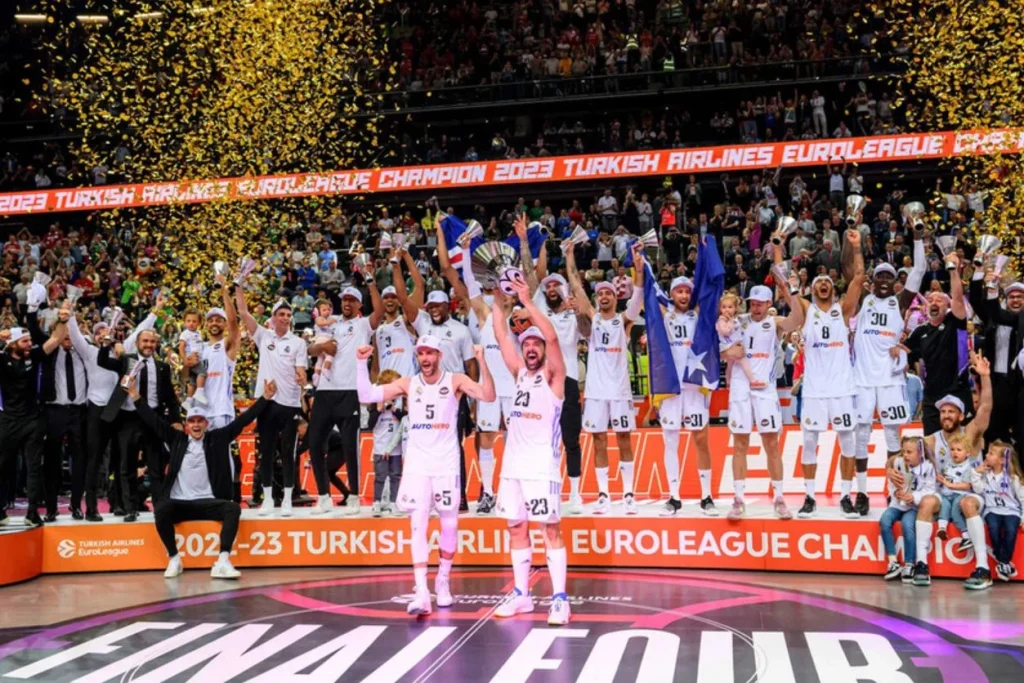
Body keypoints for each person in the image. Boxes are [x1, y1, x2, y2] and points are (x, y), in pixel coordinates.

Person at [355, 335, 495, 616]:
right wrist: (361, 362)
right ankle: (421, 590)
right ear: (417, 356)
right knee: (417, 525)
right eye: (421, 354)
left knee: (450, 524)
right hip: (418, 464)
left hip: (445, 464)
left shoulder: (454, 380)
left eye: (431, 353)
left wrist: (482, 360)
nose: (426, 359)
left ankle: (443, 579)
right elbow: (366, 396)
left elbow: (488, 395)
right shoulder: (409, 383)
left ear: (439, 355)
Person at [129, 375, 277, 580]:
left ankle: (223, 561)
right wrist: (136, 397)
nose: (196, 425)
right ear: (187, 424)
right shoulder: (177, 439)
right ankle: (174, 558)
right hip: (181, 502)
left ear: (206, 424)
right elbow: (153, 421)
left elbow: (243, 421)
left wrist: (265, 399)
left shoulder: (218, 438)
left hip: (209, 501)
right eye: (192, 421)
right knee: (161, 508)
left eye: (200, 421)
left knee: (232, 509)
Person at [490, 278, 571, 625]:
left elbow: (552, 337)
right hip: (512, 468)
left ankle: (560, 600)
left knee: (550, 530)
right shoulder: (519, 373)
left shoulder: (555, 377)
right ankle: (522, 595)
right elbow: (498, 336)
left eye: (536, 344)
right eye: (527, 345)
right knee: (516, 527)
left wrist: (525, 300)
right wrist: (497, 299)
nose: (532, 348)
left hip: (542, 467)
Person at [894, 352, 993, 588]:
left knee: (966, 504)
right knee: (928, 501)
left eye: (951, 411)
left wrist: (985, 377)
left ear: (961, 415)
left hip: (969, 493)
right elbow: (903, 453)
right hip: (943, 496)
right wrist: (890, 468)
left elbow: (986, 407)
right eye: (943, 411)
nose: (946, 415)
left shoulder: (970, 434)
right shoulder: (930, 440)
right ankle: (921, 565)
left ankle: (983, 569)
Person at [394, 248, 478, 512]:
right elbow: (402, 297)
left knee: (453, 446)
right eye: (430, 306)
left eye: (438, 305)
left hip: (454, 396)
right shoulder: (422, 324)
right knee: (426, 445)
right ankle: (427, 497)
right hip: (426, 396)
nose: (433, 309)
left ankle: (458, 496)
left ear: (448, 306)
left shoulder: (461, 330)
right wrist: (400, 260)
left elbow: (470, 366)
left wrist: (471, 398)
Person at [566, 242, 644, 515]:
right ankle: (603, 495)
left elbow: (638, 297)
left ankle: (629, 494)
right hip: (597, 392)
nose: (604, 297)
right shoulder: (594, 319)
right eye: (600, 294)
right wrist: (568, 255)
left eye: (608, 293)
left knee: (624, 440)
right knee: (598, 440)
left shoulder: (623, 320)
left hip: (620, 392)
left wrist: (639, 269)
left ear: (615, 297)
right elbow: (576, 286)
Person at [792, 230, 864, 518]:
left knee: (847, 441)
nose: (823, 285)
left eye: (827, 282)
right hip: (814, 390)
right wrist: (778, 248)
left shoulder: (843, 311)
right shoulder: (807, 310)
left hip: (842, 389)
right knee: (810, 442)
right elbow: (787, 285)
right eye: (819, 282)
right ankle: (809, 496)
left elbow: (858, 278)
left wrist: (856, 247)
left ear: (833, 290)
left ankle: (846, 495)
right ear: (812, 289)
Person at [66, 300, 160, 520]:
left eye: (105, 333)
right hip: (97, 411)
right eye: (98, 333)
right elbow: (75, 335)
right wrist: (69, 314)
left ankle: (117, 504)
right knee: (95, 459)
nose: (102, 336)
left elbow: (139, 331)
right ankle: (90, 508)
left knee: (121, 459)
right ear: (95, 337)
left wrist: (154, 311)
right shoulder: (89, 351)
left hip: (120, 410)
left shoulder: (122, 351)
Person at [640, 265, 719, 516]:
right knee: (670, 441)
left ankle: (706, 496)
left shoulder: (699, 314)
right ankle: (674, 497)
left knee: (701, 440)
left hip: (695, 385)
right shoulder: (664, 315)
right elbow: (650, 295)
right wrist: (642, 264)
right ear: (672, 294)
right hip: (670, 388)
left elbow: (710, 292)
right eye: (679, 291)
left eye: (687, 291)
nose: (683, 295)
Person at [727, 271, 805, 520]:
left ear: (769, 303)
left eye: (760, 302)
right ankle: (738, 499)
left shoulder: (775, 323)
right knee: (739, 444)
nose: (756, 306)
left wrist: (789, 290)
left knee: (771, 443)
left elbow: (798, 320)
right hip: (740, 388)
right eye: (752, 302)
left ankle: (780, 497)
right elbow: (719, 347)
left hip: (765, 390)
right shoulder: (737, 321)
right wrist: (728, 352)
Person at [852, 252, 921, 518]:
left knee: (893, 437)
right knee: (861, 436)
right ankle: (862, 493)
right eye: (879, 275)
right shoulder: (863, 299)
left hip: (890, 379)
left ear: (895, 282)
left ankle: (895, 491)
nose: (883, 279)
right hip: (863, 380)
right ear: (872, 280)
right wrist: (854, 243)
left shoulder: (899, 302)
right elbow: (851, 271)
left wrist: (916, 238)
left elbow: (919, 271)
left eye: (889, 276)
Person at [307, 277, 383, 516]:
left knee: (350, 447)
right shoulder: (330, 324)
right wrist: (322, 348)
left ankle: (353, 496)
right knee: (314, 443)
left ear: (360, 304)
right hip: (325, 392)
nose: (347, 303)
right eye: (344, 300)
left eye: (352, 300)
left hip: (350, 391)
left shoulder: (362, 325)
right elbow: (309, 348)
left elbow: (379, 311)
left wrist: (370, 282)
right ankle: (324, 496)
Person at [235, 290, 308, 516]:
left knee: (288, 453)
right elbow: (243, 312)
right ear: (273, 317)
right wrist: (239, 284)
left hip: (290, 403)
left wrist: (302, 378)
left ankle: (287, 499)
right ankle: (267, 499)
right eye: (282, 314)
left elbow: (301, 371)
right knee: (265, 452)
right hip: (266, 402)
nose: (285, 318)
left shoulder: (298, 343)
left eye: (288, 314)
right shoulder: (263, 336)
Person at [98, 328, 181, 522]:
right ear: (137, 343)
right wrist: (105, 343)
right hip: (128, 418)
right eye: (145, 341)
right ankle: (130, 508)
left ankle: (160, 507)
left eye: (152, 342)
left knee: (156, 466)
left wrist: (176, 420)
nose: (148, 345)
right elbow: (102, 362)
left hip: (153, 418)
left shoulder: (163, 367)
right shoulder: (126, 360)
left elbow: (170, 397)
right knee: (127, 465)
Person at [0, 306, 70, 526]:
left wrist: (62, 319)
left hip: (33, 420)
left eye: (30, 340)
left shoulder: (35, 355)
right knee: (2, 466)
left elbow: (57, 338)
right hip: (8, 420)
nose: (30, 344)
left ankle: (32, 512)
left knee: (34, 467)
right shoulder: (1, 360)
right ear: (12, 345)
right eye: (24, 342)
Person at [532, 262, 586, 515]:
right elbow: (532, 277)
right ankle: (549, 493)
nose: (551, 288)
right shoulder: (540, 309)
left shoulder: (573, 312)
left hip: (569, 381)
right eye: (548, 286)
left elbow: (586, 332)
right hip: (543, 381)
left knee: (570, 440)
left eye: (556, 285)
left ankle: (575, 495)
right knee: (544, 442)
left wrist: (578, 312)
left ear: (563, 289)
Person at [25, 305, 87, 522]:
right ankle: (51, 508)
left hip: (79, 413)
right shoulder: (48, 352)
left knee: (80, 461)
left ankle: (76, 505)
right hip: (54, 412)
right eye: (64, 333)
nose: (68, 336)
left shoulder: (84, 353)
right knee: (52, 462)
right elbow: (33, 330)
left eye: (72, 332)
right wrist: (32, 307)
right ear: (57, 334)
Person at [906, 254, 971, 434]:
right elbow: (902, 351)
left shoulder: (954, 321)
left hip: (956, 389)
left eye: (939, 300)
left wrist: (953, 271)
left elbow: (958, 299)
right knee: (930, 441)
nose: (934, 302)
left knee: (960, 442)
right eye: (931, 300)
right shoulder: (919, 331)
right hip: (931, 394)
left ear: (948, 306)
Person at [880, 436, 935, 584]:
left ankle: (909, 564)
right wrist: (895, 493)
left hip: (913, 506)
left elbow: (930, 489)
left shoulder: (928, 467)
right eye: (904, 451)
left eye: (909, 452)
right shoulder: (898, 463)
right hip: (897, 504)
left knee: (907, 525)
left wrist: (914, 497)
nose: (905, 455)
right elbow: (891, 484)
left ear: (920, 453)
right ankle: (893, 561)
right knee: (884, 521)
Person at [972, 440, 1023, 582]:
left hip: (1011, 511)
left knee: (1011, 530)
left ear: (1002, 460)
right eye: (988, 452)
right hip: (992, 510)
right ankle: (1004, 563)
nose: (987, 455)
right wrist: (976, 473)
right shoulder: (985, 475)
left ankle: (1003, 561)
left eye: (991, 453)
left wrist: (1023, 517)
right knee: (993, 527)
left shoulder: (1013, 478)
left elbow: (1022, 498)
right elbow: (978, 489)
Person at [369, 369, 406, 516]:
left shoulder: (402, 400)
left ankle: (393, 502)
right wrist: (378, 410)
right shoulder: (375, 400)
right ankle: (377, 502)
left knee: (396, 475)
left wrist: (394, 409)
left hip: (396, 447)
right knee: (380, 475)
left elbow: (406, 419)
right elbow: (370, 424)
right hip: (381, 446)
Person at [178, 308, 209, 406]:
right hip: (192, 359)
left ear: (199, 323)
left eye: (194, 321)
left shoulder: (199, 333)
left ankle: (188, 400)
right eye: (188, 321)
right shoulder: (185, 334)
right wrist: (185, 359)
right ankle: (200, 392)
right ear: (184, 322)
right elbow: (181, 347)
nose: (191, 323)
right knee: (202, 373)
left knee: (192, 381)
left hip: (198, 358)